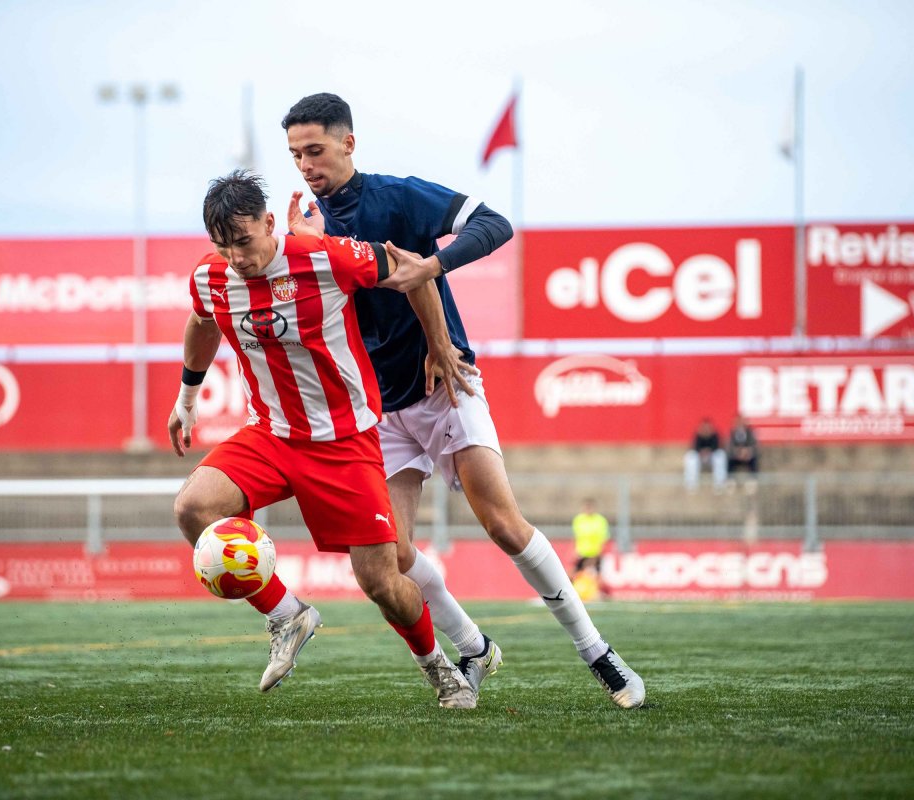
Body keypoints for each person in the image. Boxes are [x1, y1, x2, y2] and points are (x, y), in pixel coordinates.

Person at [281, 92, 644, 709]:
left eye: (314, 150)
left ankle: (598, 653)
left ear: (348, 142)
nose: (305, 164)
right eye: (295, 155)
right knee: (392, 557)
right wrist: (307, 248)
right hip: (380, 409)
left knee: (502, 524)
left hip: (444, 385)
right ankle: (474, 648)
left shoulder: (398, 197)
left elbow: (494, 224)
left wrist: (434, 270)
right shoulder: (308, 231)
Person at [168, 171, 475, 709]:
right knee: (193, 509)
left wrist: (439, 344)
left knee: (382, 584)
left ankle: (440, 668)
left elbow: (415, 271)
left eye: (244, 241)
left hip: (345, 443)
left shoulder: (324, 257)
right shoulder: (210, 277)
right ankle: (287, 615)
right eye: (223, 245)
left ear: (269, 223)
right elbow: (201, 321)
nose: (237, 257)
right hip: (271, 435)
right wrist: (186, 397)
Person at [571, 498, 610, 600]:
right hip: (582, 553)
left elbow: (604, 538)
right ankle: (571, 594)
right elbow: (577, 537)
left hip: (595, 554)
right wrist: (574, 551)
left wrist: (598, 554)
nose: (588, 510)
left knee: (598, 577)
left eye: (589, 508)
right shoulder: (578, 520)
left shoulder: (600, 521)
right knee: (573, 574)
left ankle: (602, 595)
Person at [684, 416, 727, 492]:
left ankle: (719, 483)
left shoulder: (715, 435)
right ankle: (691, 483)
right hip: (700, 459)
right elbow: (694, 447)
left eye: (708, 427)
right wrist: (702, 452)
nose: (706, 429)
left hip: (711, 459)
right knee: (690, 456)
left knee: (720, 455)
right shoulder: (698, 435)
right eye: (704, 427)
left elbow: (717, 446)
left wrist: (709, 451)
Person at [727, 414, 760, 484]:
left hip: (747, 456)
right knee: (729, 460)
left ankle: (753, 480)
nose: (740, 424)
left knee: (754, 459)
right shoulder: (732, 433)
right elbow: (729, 446)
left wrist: (747, 451)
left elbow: (754, 445)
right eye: (738, 422)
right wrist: (738, 452)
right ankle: (730, 480)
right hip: (736, 457)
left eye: (741, 421)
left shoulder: (750, 432)